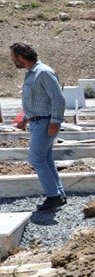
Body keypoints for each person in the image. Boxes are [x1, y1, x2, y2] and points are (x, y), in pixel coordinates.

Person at [10, 42, 67, 212]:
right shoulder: (31, 74)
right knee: (45, 159)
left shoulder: (43, 72)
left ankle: (53, 196)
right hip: (37, 122)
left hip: (45, 123)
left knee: (35, 159)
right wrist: (26, 119)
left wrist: (55, 121)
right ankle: (59, 194)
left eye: (14, 57)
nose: (13, 60)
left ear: (21, 57)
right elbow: (37, 101)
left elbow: (58, 99)